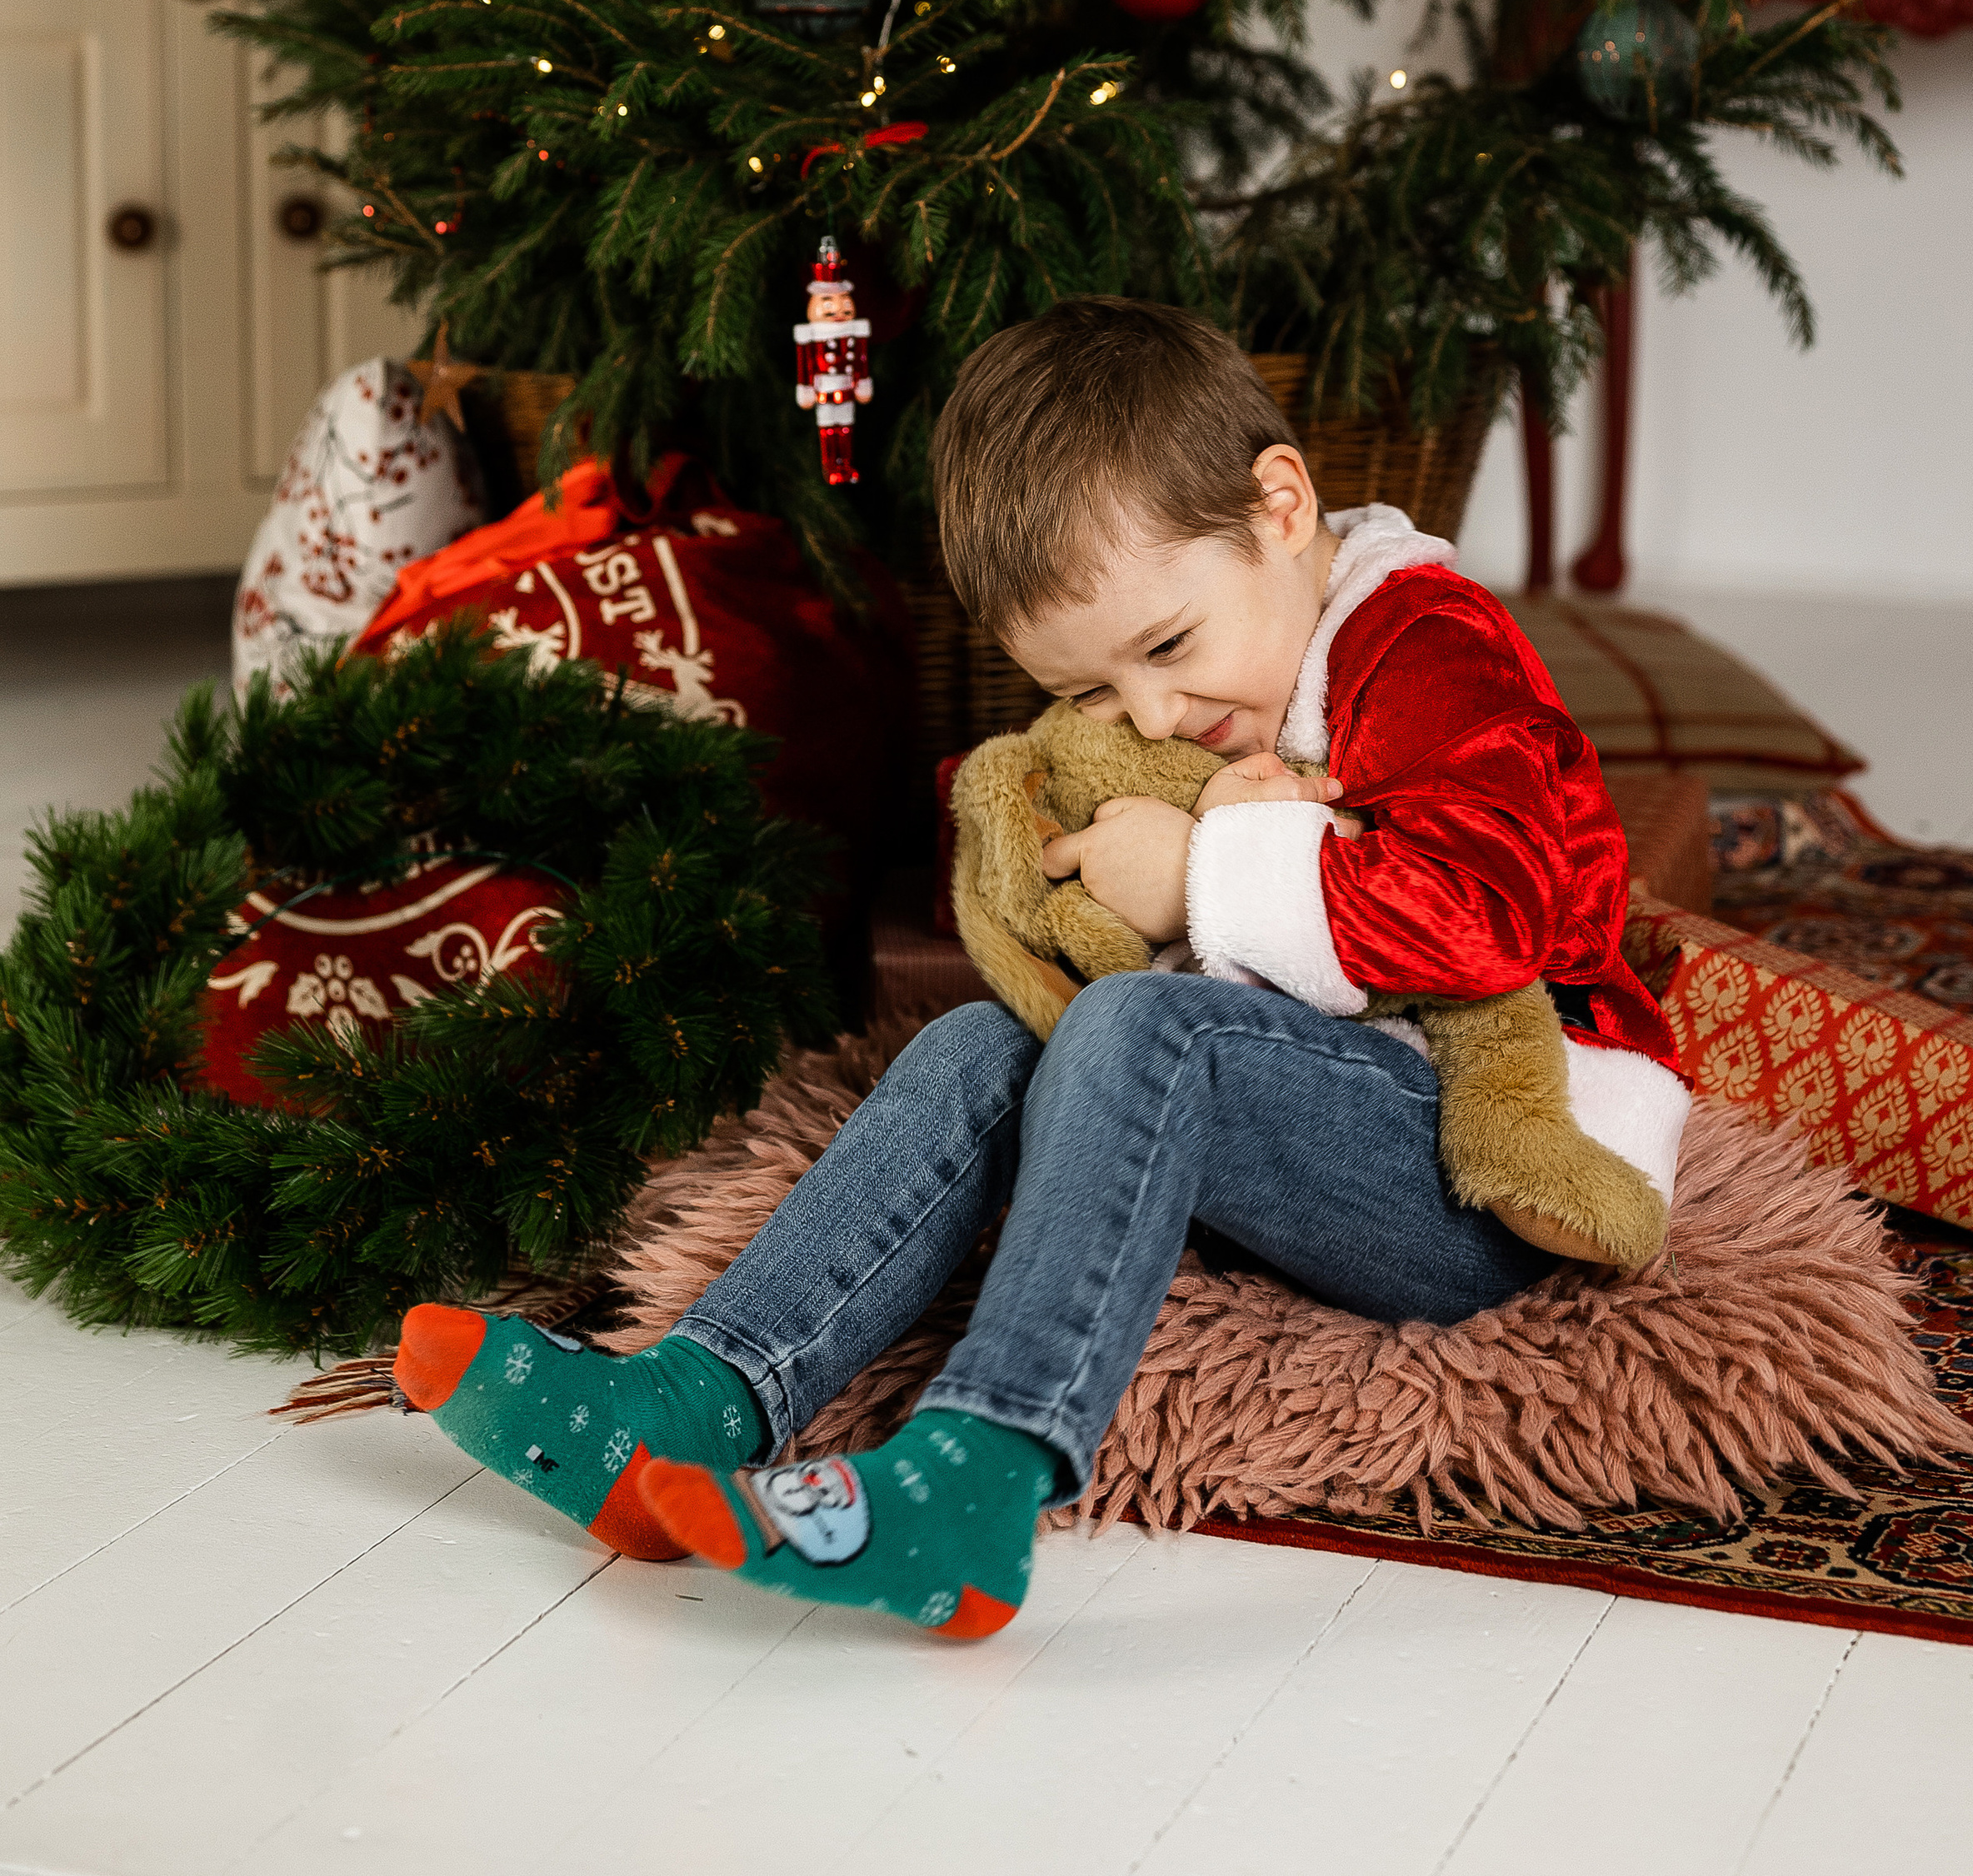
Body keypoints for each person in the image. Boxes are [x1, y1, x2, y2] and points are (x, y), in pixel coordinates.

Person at [394, 298, 1686, 1639]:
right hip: (1298, 1133)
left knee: (1137, 1029)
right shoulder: (1220, 661)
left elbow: (1493, 912)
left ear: (1281, 505)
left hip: (1488, 1171)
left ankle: (981, 1471)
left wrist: (1198, 874)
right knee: (980, 1045)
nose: (1153, 714)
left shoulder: (1426, 647)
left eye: (1168, 647)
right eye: (1090, 692)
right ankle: (694, 1399)